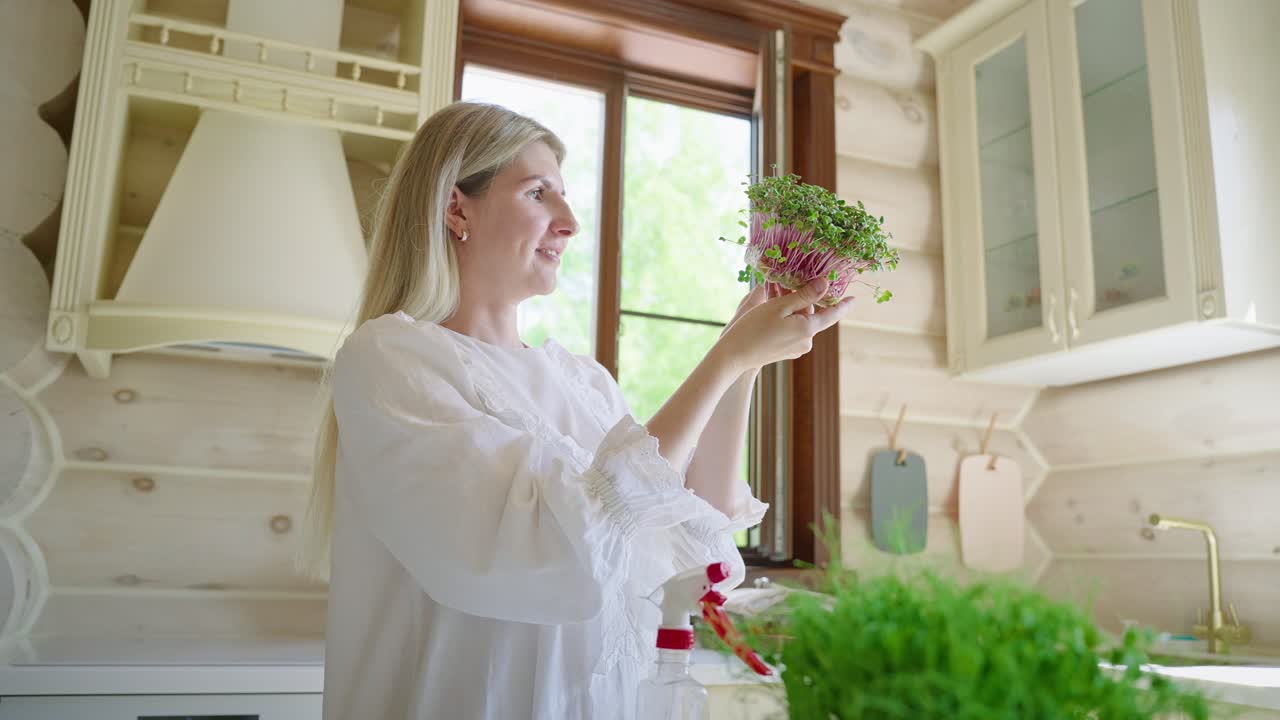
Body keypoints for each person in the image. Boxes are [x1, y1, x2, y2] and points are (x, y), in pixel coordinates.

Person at [298, 101, 855, 719]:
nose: (570, 223)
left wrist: (746, 358)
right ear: (457, 208)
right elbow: (537, 548)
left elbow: (690, 534)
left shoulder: (582, 383)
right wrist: (722, 360)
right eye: (539, 194)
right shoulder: (393, 359)